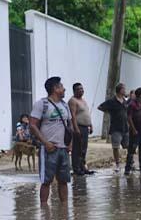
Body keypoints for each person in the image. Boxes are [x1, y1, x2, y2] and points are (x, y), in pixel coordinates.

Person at [30, 76, 73, 204]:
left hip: (63, 149)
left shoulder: (65, 105)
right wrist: (45, 143)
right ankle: (44, 212)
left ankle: (64, 211)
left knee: (64, 180)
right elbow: (32, 125)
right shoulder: (42, 104)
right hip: (48, 149)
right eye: (61, 86)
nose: (64, 89)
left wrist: (70, 144)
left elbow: (69, 125)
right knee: (46, 181)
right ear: (55, 88)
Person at [98, 83, 129, 172]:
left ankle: (129, 162)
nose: (125, 90)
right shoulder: (112, 101)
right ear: (120, 90)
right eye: (124, 89)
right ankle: (117, 164)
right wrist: (109, 111)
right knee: (116, 147)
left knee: (128, 146)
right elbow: (100, 107)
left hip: (125, 127)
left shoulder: (125, 101)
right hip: (115, 127)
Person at [69, 82, 94, 176]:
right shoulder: (73, 101)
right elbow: (73, 116)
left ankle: (83, 167)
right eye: (79, 89)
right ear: (74, 91)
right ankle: (76, 168)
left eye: (82, 89)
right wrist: (76, 128)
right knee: (77, 149)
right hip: (78, 127)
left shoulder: (83, 101)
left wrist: (90, 125)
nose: (81, 91)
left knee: (84, 149)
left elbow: (86, 113)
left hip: (85, 127)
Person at [127, 87, 141, 175]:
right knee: (132, 150)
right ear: (140, 95)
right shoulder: (132, 105)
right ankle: (128, 168)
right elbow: (129, 117)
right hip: (135, 131)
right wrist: (133, 129)